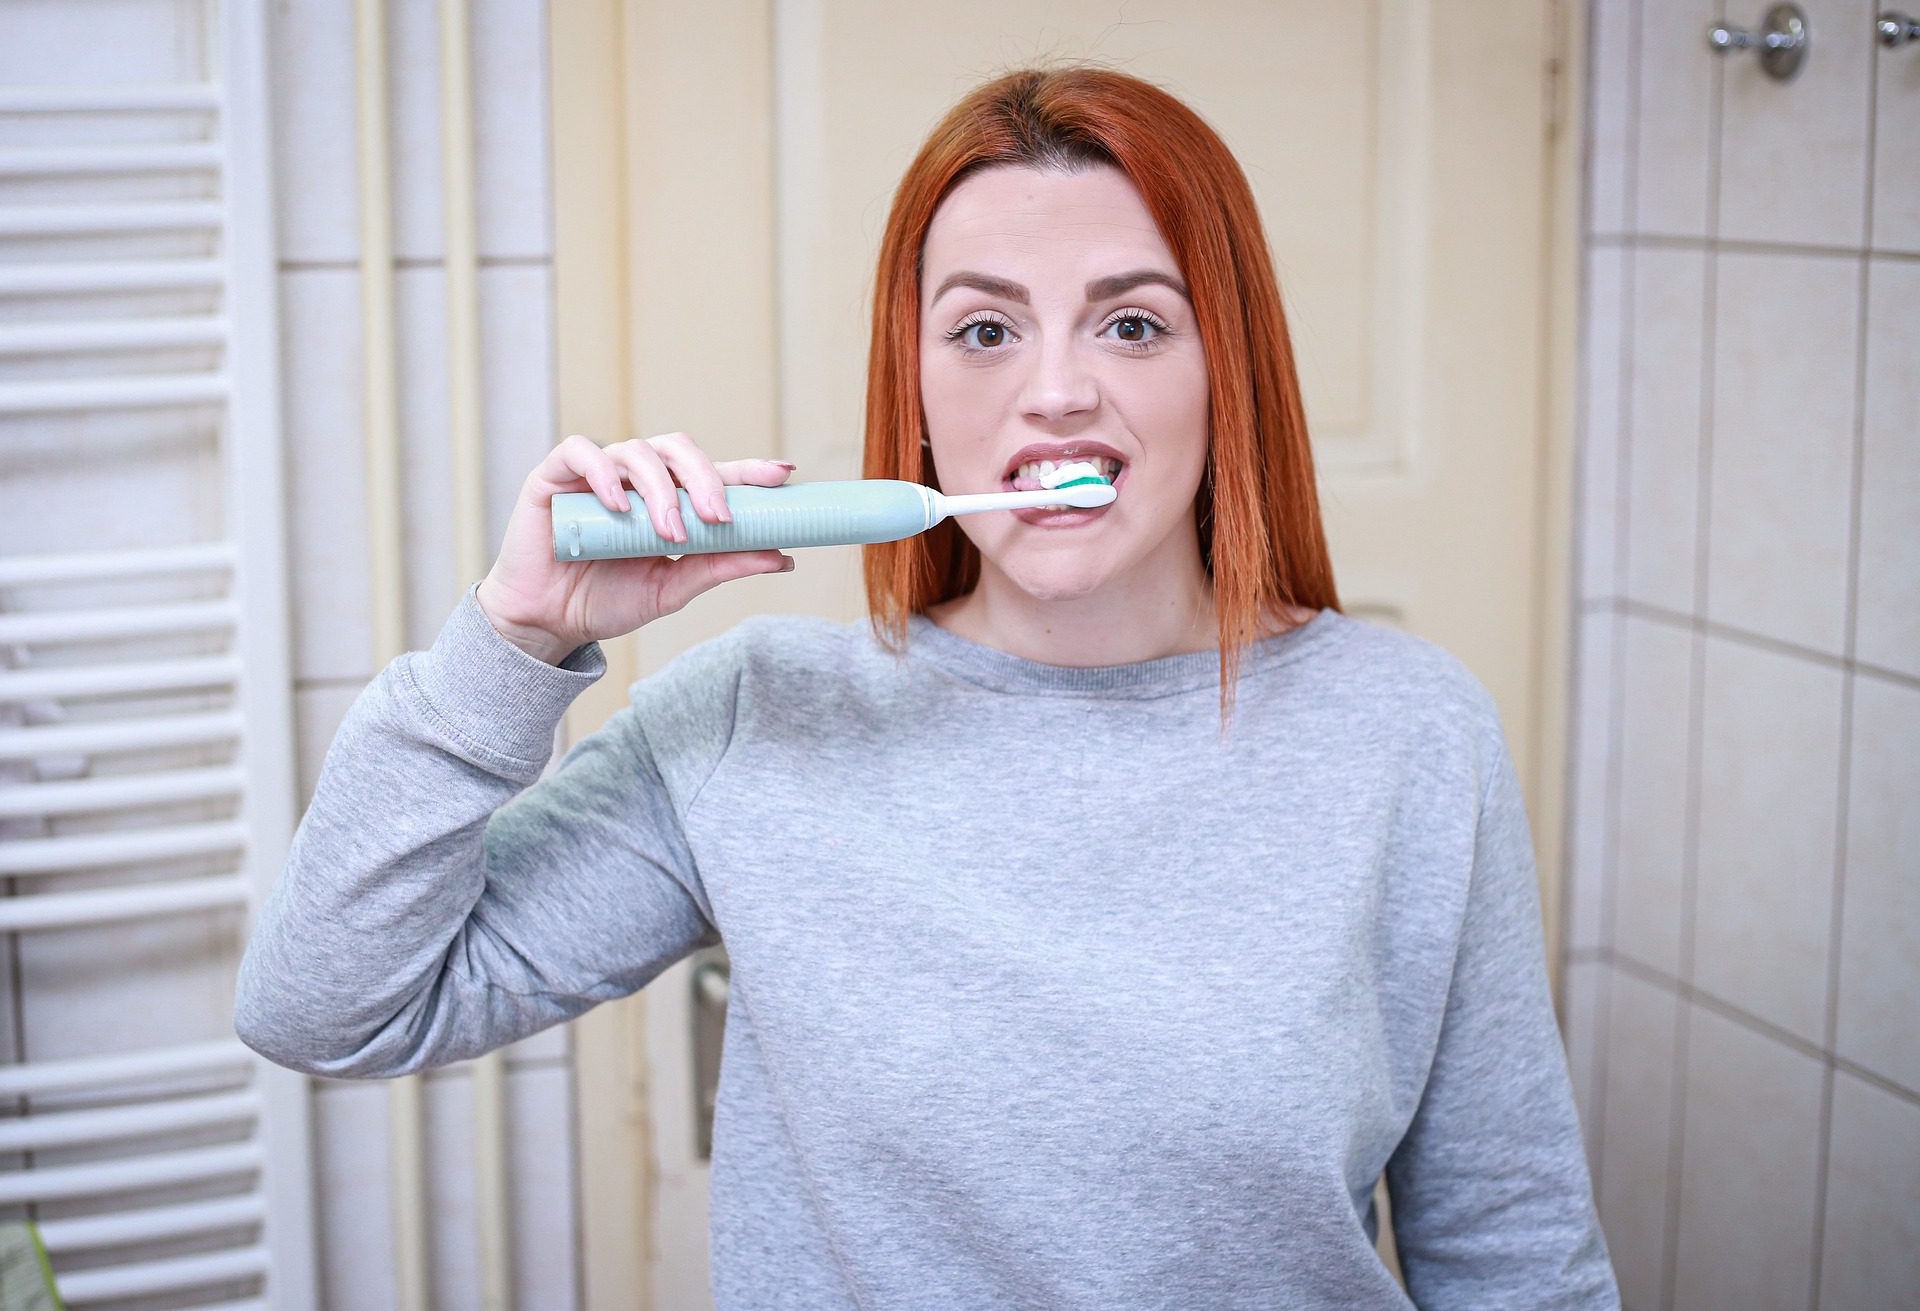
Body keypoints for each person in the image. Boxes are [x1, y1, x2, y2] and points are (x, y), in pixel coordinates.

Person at [237, 67, 1619, 1309]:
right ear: (913, 381)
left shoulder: (1408, 733)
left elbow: (1511, 1244)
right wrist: (513, 639)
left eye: (1133, 326)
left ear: (1230, 372)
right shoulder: (755, 718)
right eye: (984, 332)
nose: (1059, 393)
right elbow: (327, 1007)